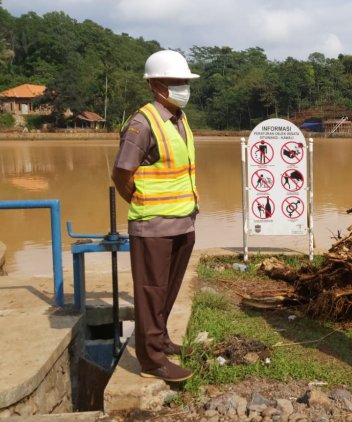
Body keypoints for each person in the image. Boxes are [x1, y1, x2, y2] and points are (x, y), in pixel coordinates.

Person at [112, 50, 199, 383]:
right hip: (153, 225)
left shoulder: (178, 117)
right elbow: (122, 172)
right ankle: (151, 359)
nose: (183, 88)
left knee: (168, 287)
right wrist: (138, 199)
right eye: (177, 82)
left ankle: (161, 339)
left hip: (182, 220)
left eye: (185, 82)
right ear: (156, 84)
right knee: (151, 290)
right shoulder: (142, 122)